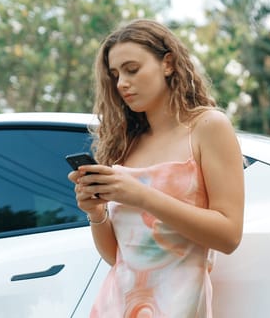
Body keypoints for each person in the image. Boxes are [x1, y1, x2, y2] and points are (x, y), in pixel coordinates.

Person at [68, 18, 245, 318]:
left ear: (168, 63)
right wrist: (96, 214)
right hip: (116, 305)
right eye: (115, 74)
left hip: (177, 306)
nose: (122, 82)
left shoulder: (206, 127)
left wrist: (143, 196)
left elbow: (228, 235)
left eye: (132, 69)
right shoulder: (127, 144)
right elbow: (119, 258)